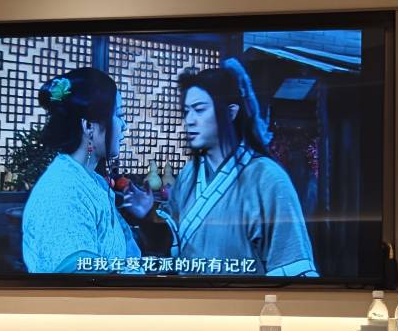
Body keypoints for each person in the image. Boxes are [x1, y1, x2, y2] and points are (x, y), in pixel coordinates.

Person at [147, 59, 318, 277]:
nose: (189, 120)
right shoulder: (189, 173)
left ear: (231, 113)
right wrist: (146, 214)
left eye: (199, 110)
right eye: (186, 111)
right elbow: (174, 240)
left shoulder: (267, 178)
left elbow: (291, 268)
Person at [22, 67, 151, 273]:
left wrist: (140, 216)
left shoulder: (92, 181)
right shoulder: (62, 193)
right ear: (89, 126)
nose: (124, 126)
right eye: (119, 115)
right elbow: (81, 283)